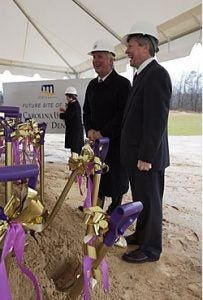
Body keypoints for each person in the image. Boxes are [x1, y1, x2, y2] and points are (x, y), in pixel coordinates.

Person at [120, 22, 172, 263]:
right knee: (142, 199)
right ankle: (141, 237)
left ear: (144, 46)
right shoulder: (141, 75)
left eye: (130, 46)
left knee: (150, 202)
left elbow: (156, 120)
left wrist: (146, 157)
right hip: (138, 156)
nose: (126, 51)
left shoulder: (157, 75)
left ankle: (151, 249)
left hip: (146, 159)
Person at [83, 39, 131, 214]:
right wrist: (89, 130)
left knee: (115, 179)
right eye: (94, 57)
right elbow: (86, 110)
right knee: (96, 177)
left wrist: (103, 132)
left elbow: (123, 114)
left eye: (100, 56)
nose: (96, 60)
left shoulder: (123, 85)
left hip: (115, 143)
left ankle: (115, 208)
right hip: (95, 143)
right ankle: (96, 205)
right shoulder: (92, 85)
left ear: (111, 60)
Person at [59, 86, 84, 155]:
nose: (66, 98)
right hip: (75, 132)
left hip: (75, 133)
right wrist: (65, 111)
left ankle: (75, 164)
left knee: (75, 151)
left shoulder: (73, 105)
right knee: (76, 150)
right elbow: (71, 114)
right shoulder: (74, 104)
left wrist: (61, 115)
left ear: (71, 96)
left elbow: (69, 116)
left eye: (67, 96)